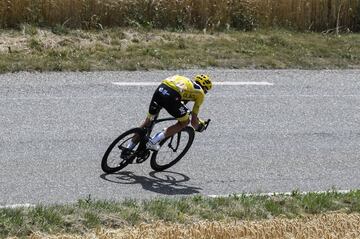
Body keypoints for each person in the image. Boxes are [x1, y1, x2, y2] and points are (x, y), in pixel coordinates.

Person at [125, 74, 212, 154]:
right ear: (204, 87)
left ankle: (128, 148)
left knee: (149, 120)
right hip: (172, 96)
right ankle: (154, 141)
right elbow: (193, 121)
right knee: (185, 122)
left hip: (161, 89)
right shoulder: (200, 93)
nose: (205, 93)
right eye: (206, 91)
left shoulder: (185, 81)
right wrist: (199, 127)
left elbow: (182, 104)